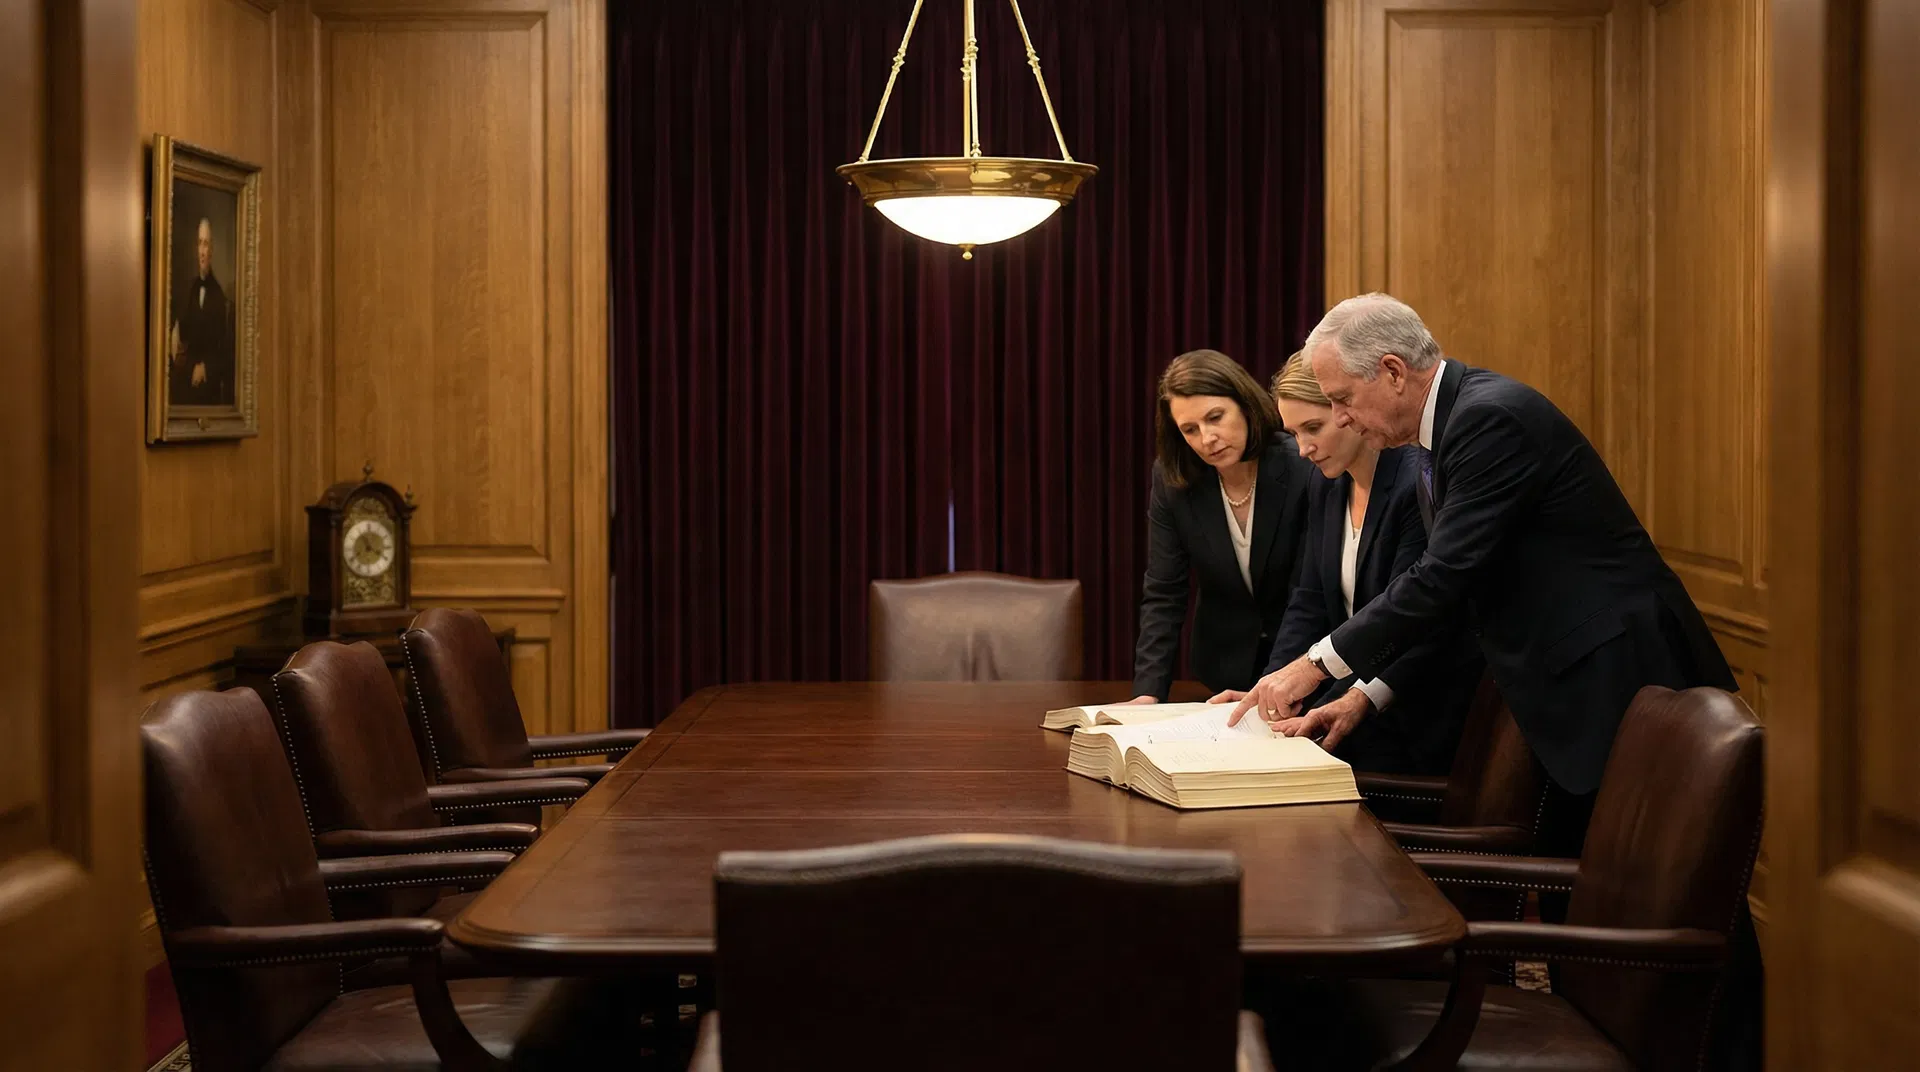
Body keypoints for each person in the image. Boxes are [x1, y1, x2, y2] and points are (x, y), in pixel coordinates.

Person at [1211, 353, 1480, 774]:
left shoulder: (1414, 482)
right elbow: (1309, 601)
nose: (1303, 449)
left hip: (1415, 712)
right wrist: (1270, 691)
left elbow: (1418, 620)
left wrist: (1346, 698)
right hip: (1349, 699)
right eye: (1294, 434)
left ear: (1347, 411)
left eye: (1313, 428)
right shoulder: (1326, 483)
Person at [1125, 349, 1315, 703]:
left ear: (1244, 404)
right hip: (1222, 668)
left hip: (1300, 666)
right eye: (1190, 429)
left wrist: (1277, 681)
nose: (1207, 438)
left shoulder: (1301, 465)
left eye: (1215, 417)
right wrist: (1148, 694)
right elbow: (1164, 592)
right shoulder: (1173, 480)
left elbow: (1306, 592)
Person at [169, 216, 235, 406]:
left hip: (208, 388)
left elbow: (225, 352)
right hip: (185, 377)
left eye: (206, 244)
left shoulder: (220, 297)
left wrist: (205, 369)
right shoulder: (188, 289)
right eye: (199, 243)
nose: (202, 251)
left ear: (212, 249)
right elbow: (181, 333)